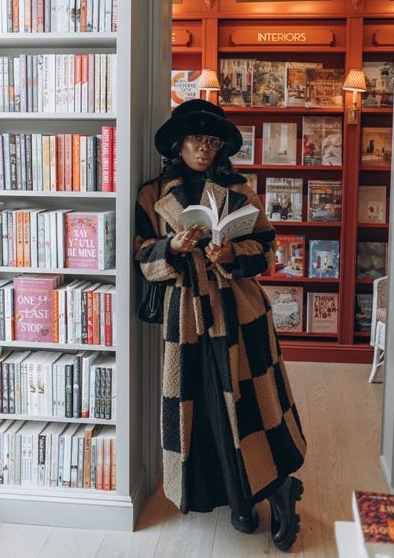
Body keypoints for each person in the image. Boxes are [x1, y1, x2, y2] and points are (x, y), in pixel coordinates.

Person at [134, 99, 306, 552]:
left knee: (254, 404)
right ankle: (237, 496)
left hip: (238, 309)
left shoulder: (239, 190)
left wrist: (230, 255)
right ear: (177, 143)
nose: (204, 149)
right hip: (185, 313)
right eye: (196, 139)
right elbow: (140, 255)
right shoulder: (152, 195)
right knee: (205, 406)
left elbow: (268, 250)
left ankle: (279, 488)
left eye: (213, 141)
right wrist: (171, 245)